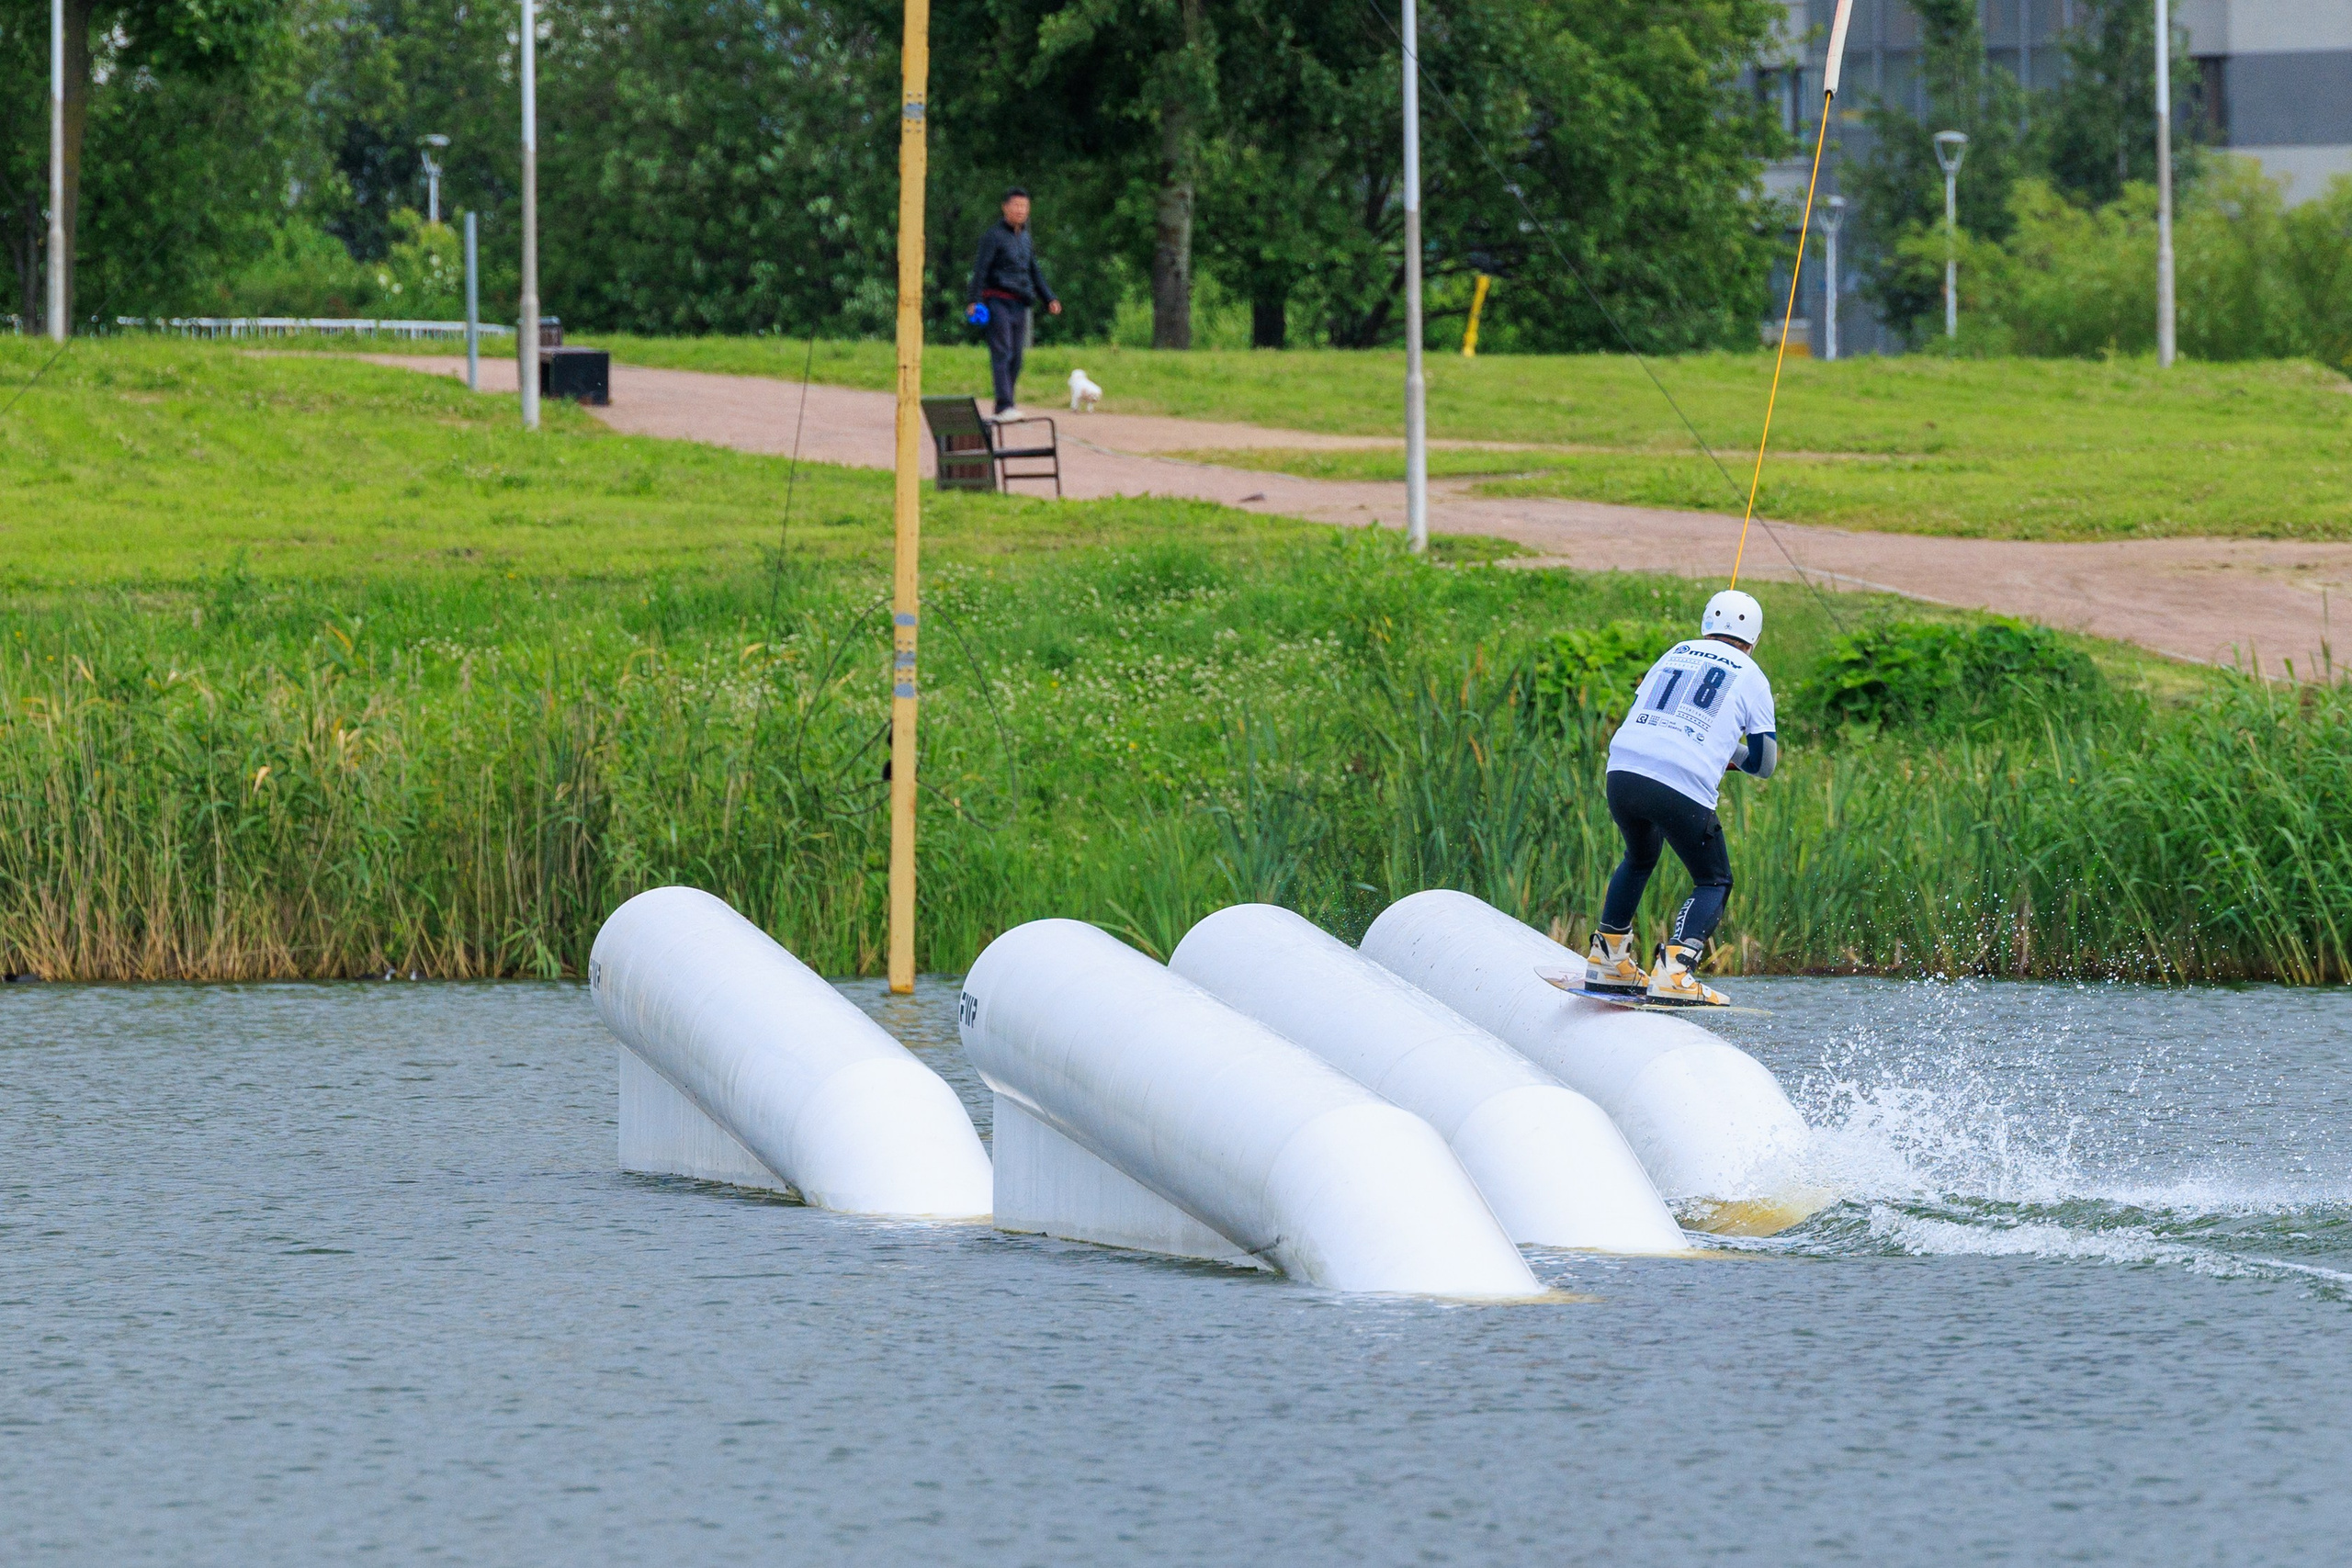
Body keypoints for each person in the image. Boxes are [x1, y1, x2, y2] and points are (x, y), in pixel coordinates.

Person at [1584, 589, 1779, 1007]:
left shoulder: (1676, 651)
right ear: (1755, 639)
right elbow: (1764, 763)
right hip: (1680, 784)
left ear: (1705, 626)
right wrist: (1730, 754)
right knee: (1714, 879)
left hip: (1622, 772)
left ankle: (1608, 959)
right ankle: (1674, 971)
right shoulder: (1753, 676)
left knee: (1639, 857)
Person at [967, 187, 1061, 420]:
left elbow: (1034, 270)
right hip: (998, 301)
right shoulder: (993, 236)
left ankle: (1007, 404)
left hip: (1020, 304)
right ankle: (1004, 405)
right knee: (1003, 351)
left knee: (1017, 356)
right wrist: (973, 300)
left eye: (1024, 206)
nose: (1020, 210)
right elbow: (980, 269)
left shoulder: (1025, 238)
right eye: (1016, 205)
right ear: (1005, 207)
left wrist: (1049, 297)